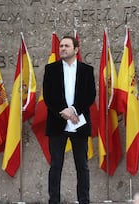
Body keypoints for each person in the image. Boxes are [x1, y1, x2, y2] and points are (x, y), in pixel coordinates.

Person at [43, 35, 96, 204]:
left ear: (76, 50)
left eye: (66, 46)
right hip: (57, 123)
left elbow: (90, 95)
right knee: (56, 166)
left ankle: (84, 200)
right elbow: (48, 95)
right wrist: (63, 112)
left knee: (82, 166)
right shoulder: (51, 69)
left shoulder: (86, 70)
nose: (62, 49)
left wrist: (73, 110)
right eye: (61, 46)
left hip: (78, 123)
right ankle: (54, 200)